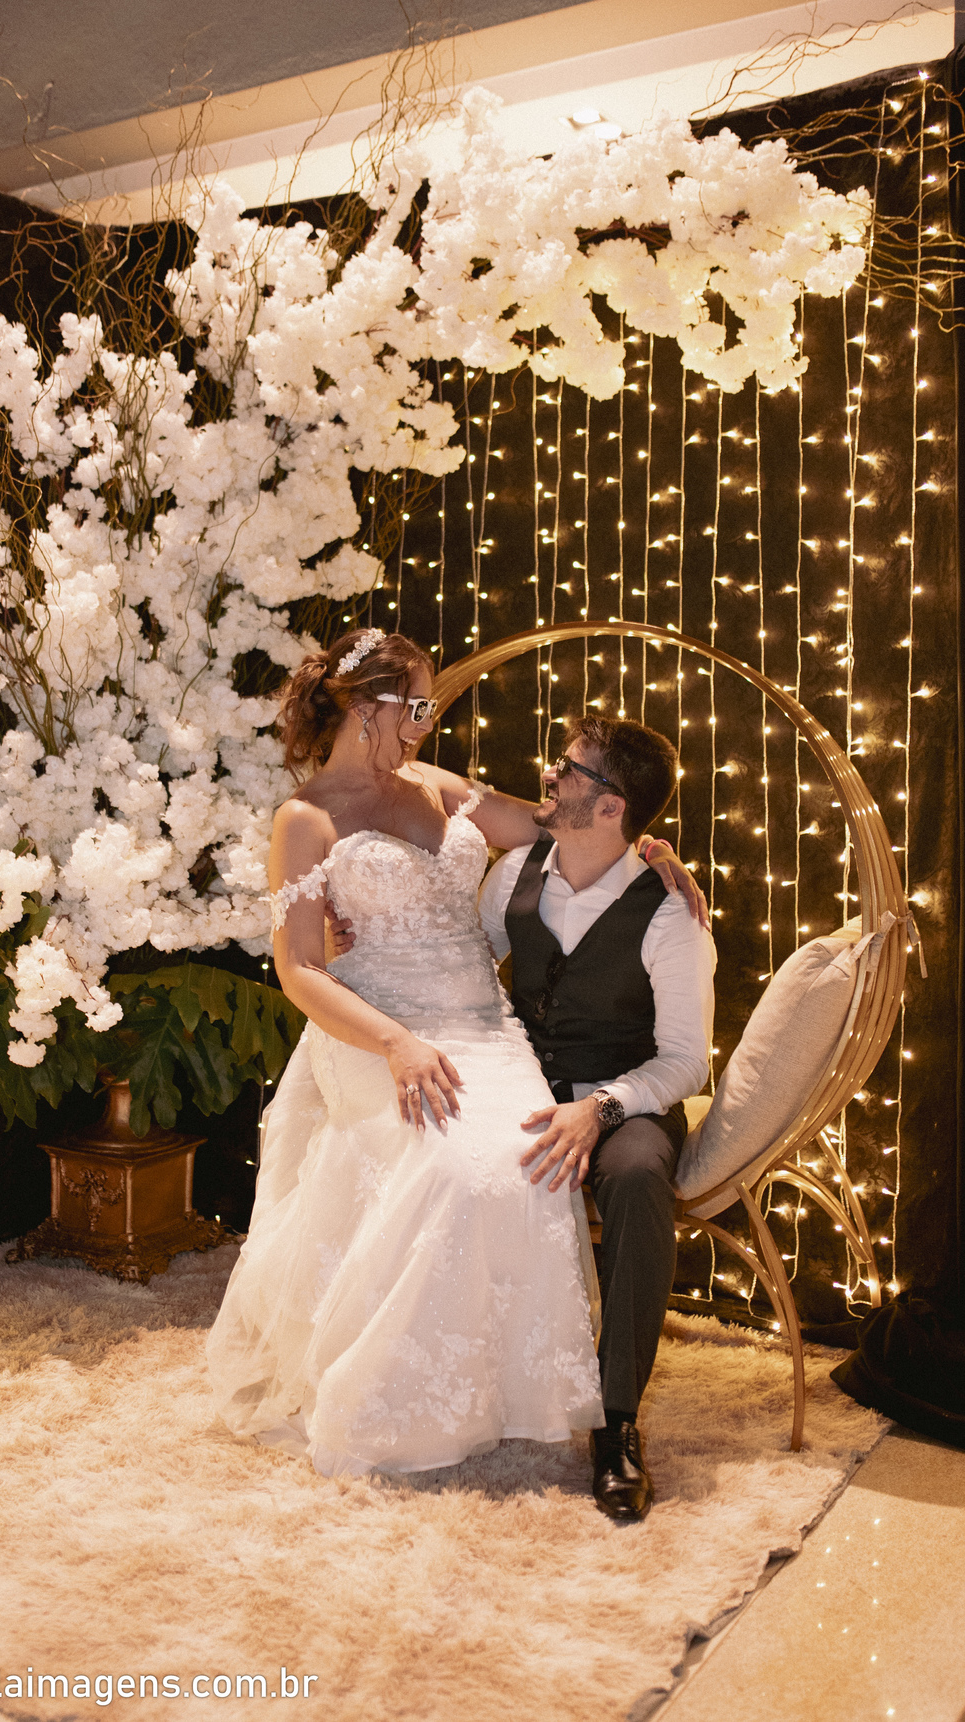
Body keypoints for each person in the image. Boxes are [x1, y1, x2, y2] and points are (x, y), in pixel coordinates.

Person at [207, 628, 702, 1480]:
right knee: (454, 1171)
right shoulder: (304, 819)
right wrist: (395, 1041)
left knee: (525, 1164)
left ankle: (504, 1393)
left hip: (483, 1025)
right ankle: (399, 1394)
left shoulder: (438, 785)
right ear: (367, 708)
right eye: (417, 705)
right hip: (374, 1026)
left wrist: (654, 848)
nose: (428, 721)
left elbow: (564, 819)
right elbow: (298, 969)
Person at [477, 716, 716, 1521]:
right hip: (522, 1083)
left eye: (570, 770)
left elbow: (686, 1061)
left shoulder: (670, 914)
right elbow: (464, 968)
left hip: (627, 1095)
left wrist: (601, 1106)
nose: (550, 775)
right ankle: (480, 1380)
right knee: (447, 1153)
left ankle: (617, 1424)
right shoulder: (512, 874)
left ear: (612, 807)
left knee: (641, 1179)